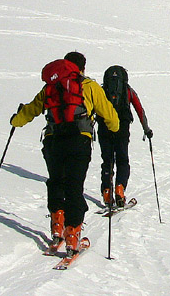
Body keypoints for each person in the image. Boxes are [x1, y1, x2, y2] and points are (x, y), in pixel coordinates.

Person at [10, 52, 119, 255]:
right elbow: (109, 115)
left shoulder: (51, 87)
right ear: (82, 67)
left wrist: (16, 121)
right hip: (79, 140)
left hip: (53, 140)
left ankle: (57, 227)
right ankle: (72, 235)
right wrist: (114, 129)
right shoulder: (89, 86)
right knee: (74, 186)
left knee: (56, 181)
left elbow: (31, 110)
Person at [98, 65, 153, 209]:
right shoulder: (128, 90)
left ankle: (106, 190)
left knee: (107, 160)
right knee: (122, 160)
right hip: (122, 128)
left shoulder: (102, 90)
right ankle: (120, 188)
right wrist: (146, 129)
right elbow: (139, 109)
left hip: (104, 127)